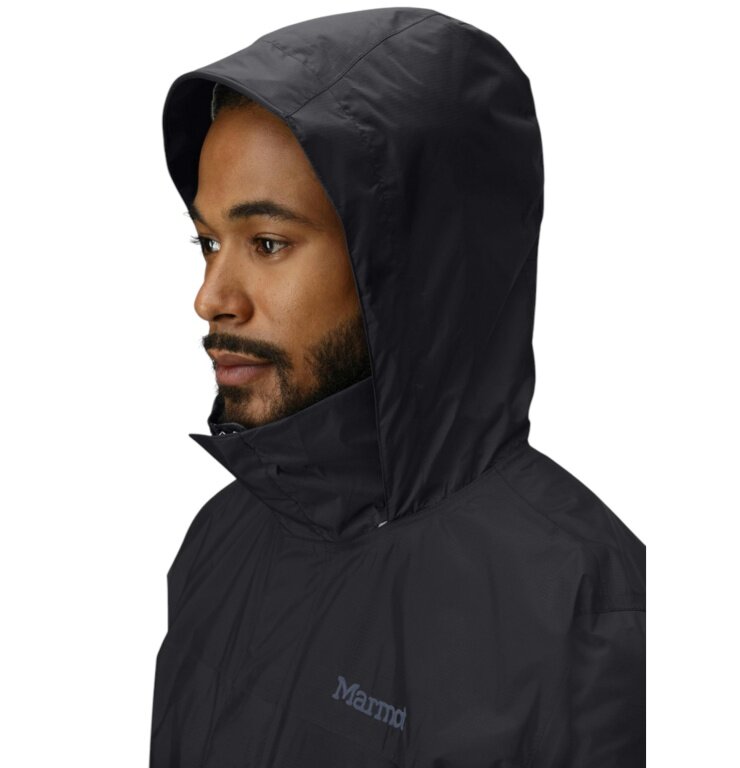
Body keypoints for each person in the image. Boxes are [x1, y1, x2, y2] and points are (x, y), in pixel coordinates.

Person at [150, 8, 646, 767]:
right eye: (209, 242)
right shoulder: (220, 541)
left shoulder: (588, 607)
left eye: (268, 243)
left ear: (410, 268)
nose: (211, 297)